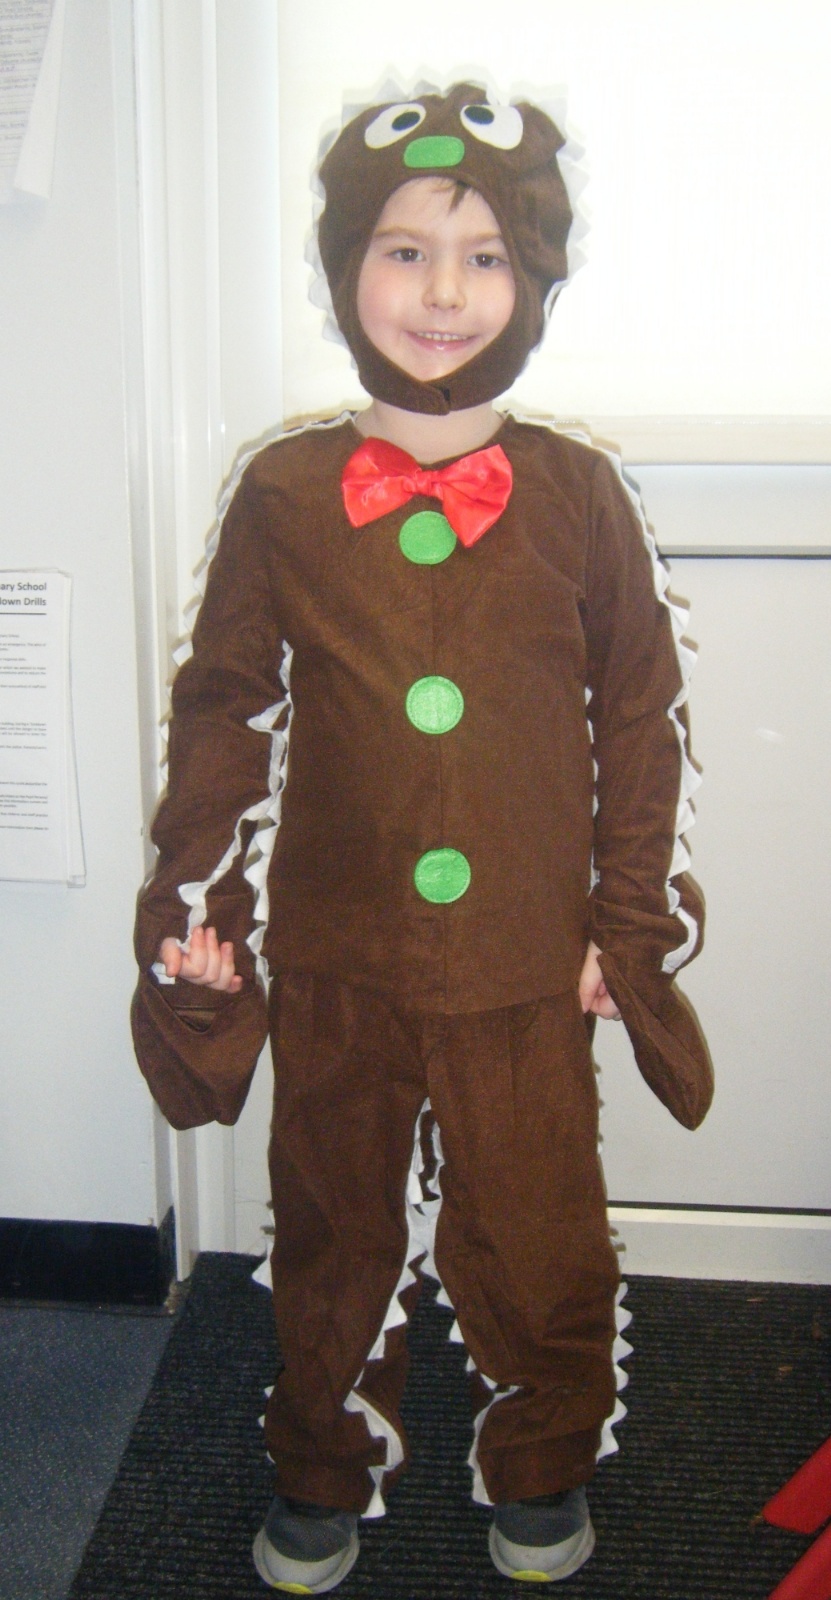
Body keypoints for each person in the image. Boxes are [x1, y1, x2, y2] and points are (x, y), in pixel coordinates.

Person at [132, 83, 713, 1592]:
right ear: (346, 268)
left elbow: (642, 720)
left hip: (527, 947)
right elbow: (225, 709)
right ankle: (324, 1454)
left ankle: (544, 1447)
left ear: (536, 280)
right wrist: (200, 903)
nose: (443, 290)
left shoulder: (581, 494)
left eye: (485, 255)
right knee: (334, 1211)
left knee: (538, 1214)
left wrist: (627, 923)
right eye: (404, 250)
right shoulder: (280, 491)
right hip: (341, 943)